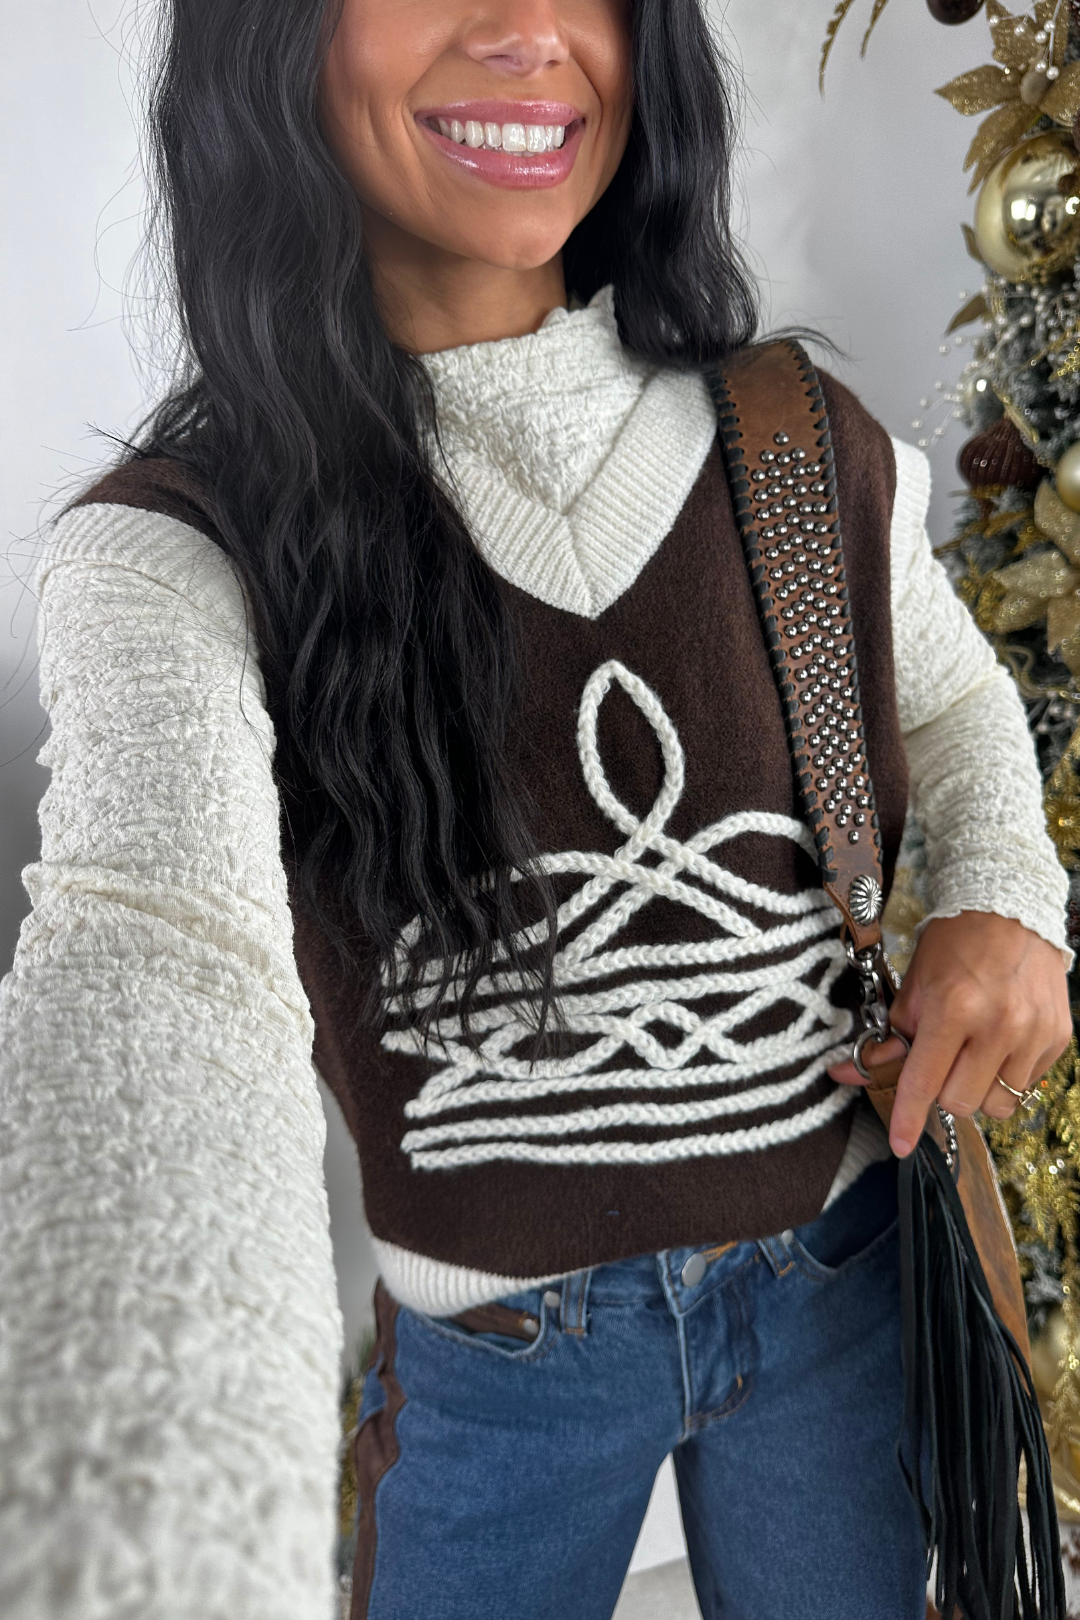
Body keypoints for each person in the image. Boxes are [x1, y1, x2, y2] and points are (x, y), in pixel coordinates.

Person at [0, 1, 1071, 1617]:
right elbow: (154, 969)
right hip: (498, 1364)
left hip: (836, 1292)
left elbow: (951, 698)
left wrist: (1002, 898)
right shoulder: (177, 557)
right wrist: (139, 1505)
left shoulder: (793, 445)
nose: (525, 28)